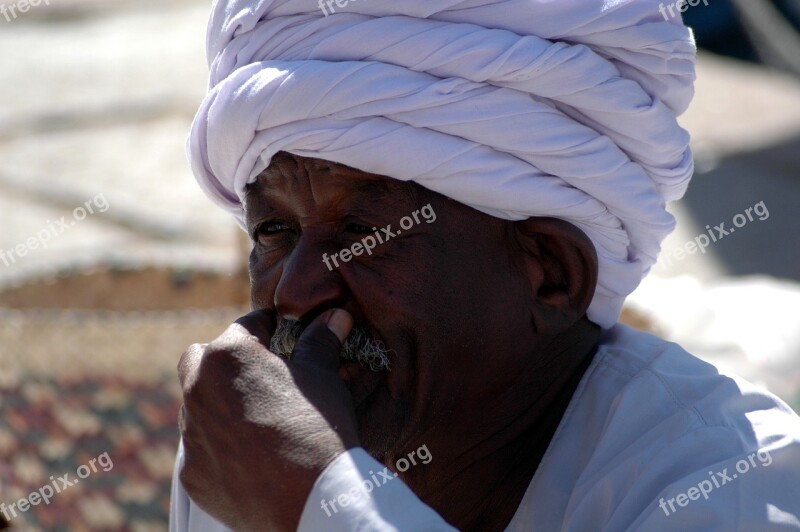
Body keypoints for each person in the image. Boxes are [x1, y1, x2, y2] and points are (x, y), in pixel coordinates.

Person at [170, 0, 800, 530]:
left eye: (363, 232)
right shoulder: (244, 449)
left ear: (552, 274)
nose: (298, 291)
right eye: (274, 231)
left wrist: (317, 500)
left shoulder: (728, 488)